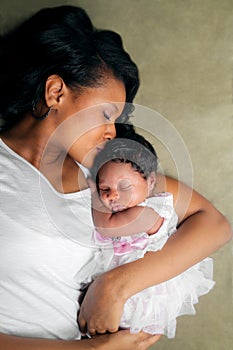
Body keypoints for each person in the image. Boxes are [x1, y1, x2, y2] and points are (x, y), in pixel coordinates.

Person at [0, 4, 231, 350]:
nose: (112, 132)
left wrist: (115, 285)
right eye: (106, 114)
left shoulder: (107, 178)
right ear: (56, 92)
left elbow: (213, 224)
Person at [79, 133, 215, 338]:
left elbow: (106, 227)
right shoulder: (132, 207)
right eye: (104, 189)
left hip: (137, 296)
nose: (112, 195)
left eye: (124, 187)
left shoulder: (147, 214)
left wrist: (93, 194)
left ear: (151, 182)